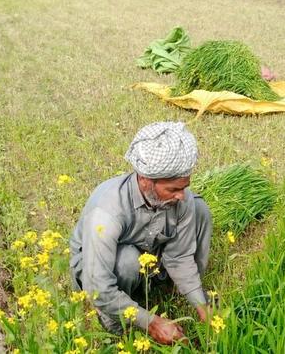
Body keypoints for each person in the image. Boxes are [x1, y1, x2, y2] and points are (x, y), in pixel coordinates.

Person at [69, 121, 213, 344]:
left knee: (200, 208)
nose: (181, 196)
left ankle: (169, 290)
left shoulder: (181, 199)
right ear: (146, 180)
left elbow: (179, 257)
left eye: (184, 187)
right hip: (99, 272)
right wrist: (151, 322)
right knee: (128, 260)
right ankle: (113, 320)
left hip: (148, 259)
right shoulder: (108, 211)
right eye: (173, 189)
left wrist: (201, 305)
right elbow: (97, 284)